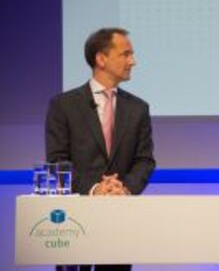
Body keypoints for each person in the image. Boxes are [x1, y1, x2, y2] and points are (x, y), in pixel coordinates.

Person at [47, 28, 156, 271]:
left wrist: (124, 188)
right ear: (101, 59)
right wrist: (95, 189)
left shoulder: (138, 108)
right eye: (126, 54)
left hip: (119, 220)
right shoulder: (63, 105)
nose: (133, 61)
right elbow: (57, 160)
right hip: (75, 221)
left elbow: (145, 160)